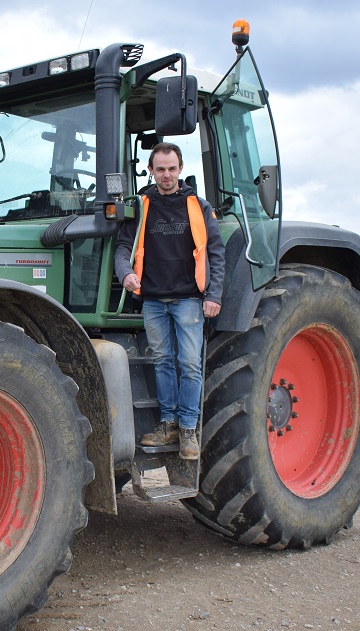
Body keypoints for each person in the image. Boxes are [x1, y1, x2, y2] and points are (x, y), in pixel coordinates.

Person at [114, 143, 225, 460]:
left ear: (180, 168)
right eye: (160, 169)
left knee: (189, 364)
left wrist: (213, 294)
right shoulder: (141, 205)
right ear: (151, 170)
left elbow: (215, 253)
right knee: (163, 362)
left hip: (189, 299)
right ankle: (168, 423)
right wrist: (125, 275)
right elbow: (124, 248)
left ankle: (188, 429)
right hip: (153, 301)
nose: (166, 175)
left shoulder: (197, 207)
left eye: (171, 168)